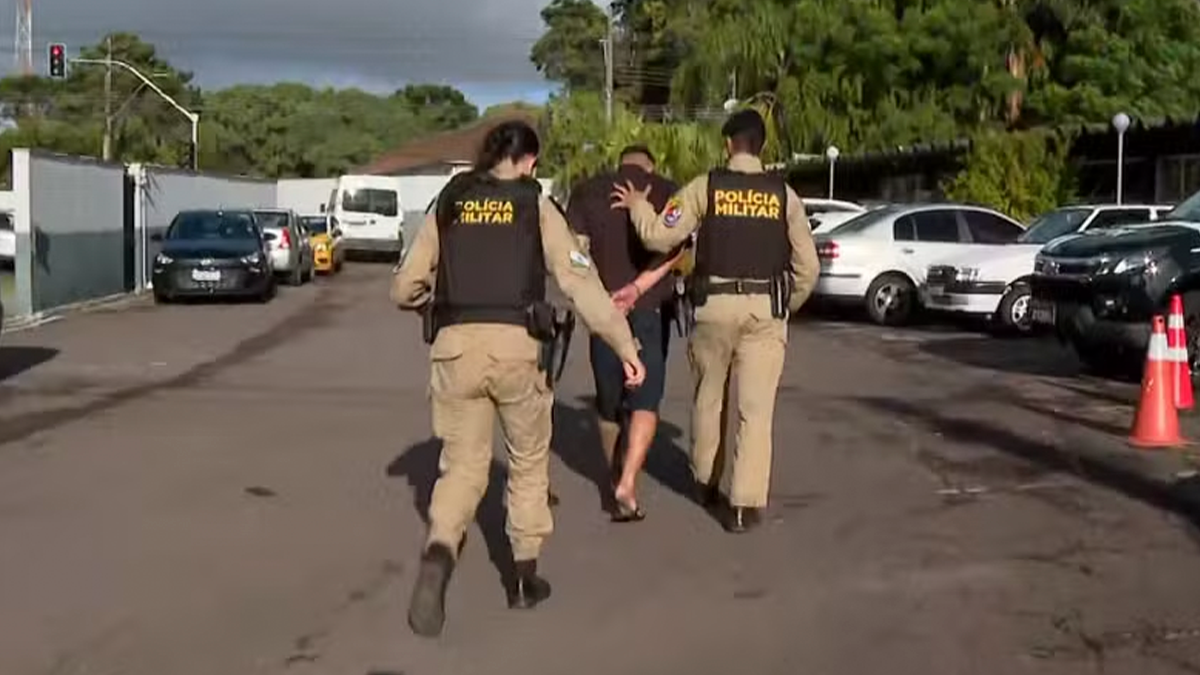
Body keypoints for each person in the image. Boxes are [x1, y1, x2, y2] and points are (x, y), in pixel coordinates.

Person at [391, 121, 646, 637]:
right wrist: (625, 346)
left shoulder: (452, 198)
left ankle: (440, 552)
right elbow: (580, 283)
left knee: (460, 468)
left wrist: (438, 308)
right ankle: (525, 579)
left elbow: (404, 287)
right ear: (529, 160)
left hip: (455, 347)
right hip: (518, 349)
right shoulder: (535, 205)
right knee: (528, 464)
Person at [611, 109, 820, 533]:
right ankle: (744, 506)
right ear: (762, 147)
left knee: (710, 398)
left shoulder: (705, 188)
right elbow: (808, 267)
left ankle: (705, 480)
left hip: (714, 308)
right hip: (765, 311)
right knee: (756, 411)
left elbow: (658, 235)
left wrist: (637, 205)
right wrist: (784, 306)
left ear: (728, 145)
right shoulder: (784, 196)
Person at [566, 145, 684, 521]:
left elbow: (575, 254)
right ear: (651, 164)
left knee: (609, 402)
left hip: (603, 309)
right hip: (649, 309)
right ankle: (628, 482)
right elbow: (679, 250)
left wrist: (598, 296)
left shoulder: (587, 191)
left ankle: (613, 473)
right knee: (645, 398)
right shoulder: (669, 190)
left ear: (620, 163)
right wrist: (638, 288)